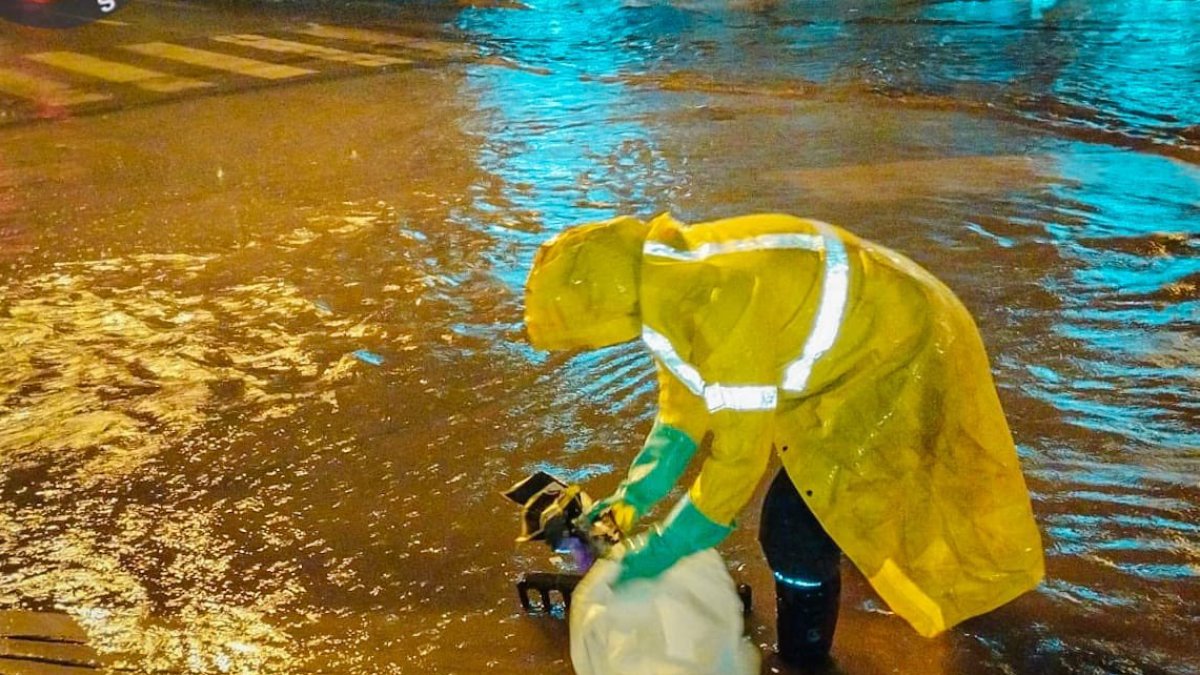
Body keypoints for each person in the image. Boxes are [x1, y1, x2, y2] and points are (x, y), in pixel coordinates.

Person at [523, 213, 1044, 663]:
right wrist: (629, 502)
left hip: (900, 353)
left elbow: (737, 463)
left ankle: (806, 655)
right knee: (835, 502)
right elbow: (681, 417)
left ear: (604, 304)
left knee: (793, 530)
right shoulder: (668, 287)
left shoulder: (721, 303)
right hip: (859, 348)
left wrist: (661, 551)